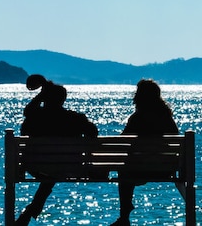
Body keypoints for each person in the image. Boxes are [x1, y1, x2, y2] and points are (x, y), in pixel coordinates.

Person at [15, 75, 98, 226]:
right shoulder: (75, 118)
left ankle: (30, 211)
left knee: (50, 172)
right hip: (70, 167)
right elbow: (93, 133)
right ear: (63, 99)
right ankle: (31, 211)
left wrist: (41, 94)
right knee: (55, 170)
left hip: (36, 167)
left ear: (44, 98)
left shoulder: (35, 118)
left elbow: (28, 111)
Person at [109, 79, 179, 226]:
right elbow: (175, 137)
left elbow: (122, 141)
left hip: (138, 170)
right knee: (129, 168)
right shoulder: (166, 117)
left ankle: (124, 214)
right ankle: (125, 213)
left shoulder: (137, 118)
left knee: (124, 171)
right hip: (164, 170)